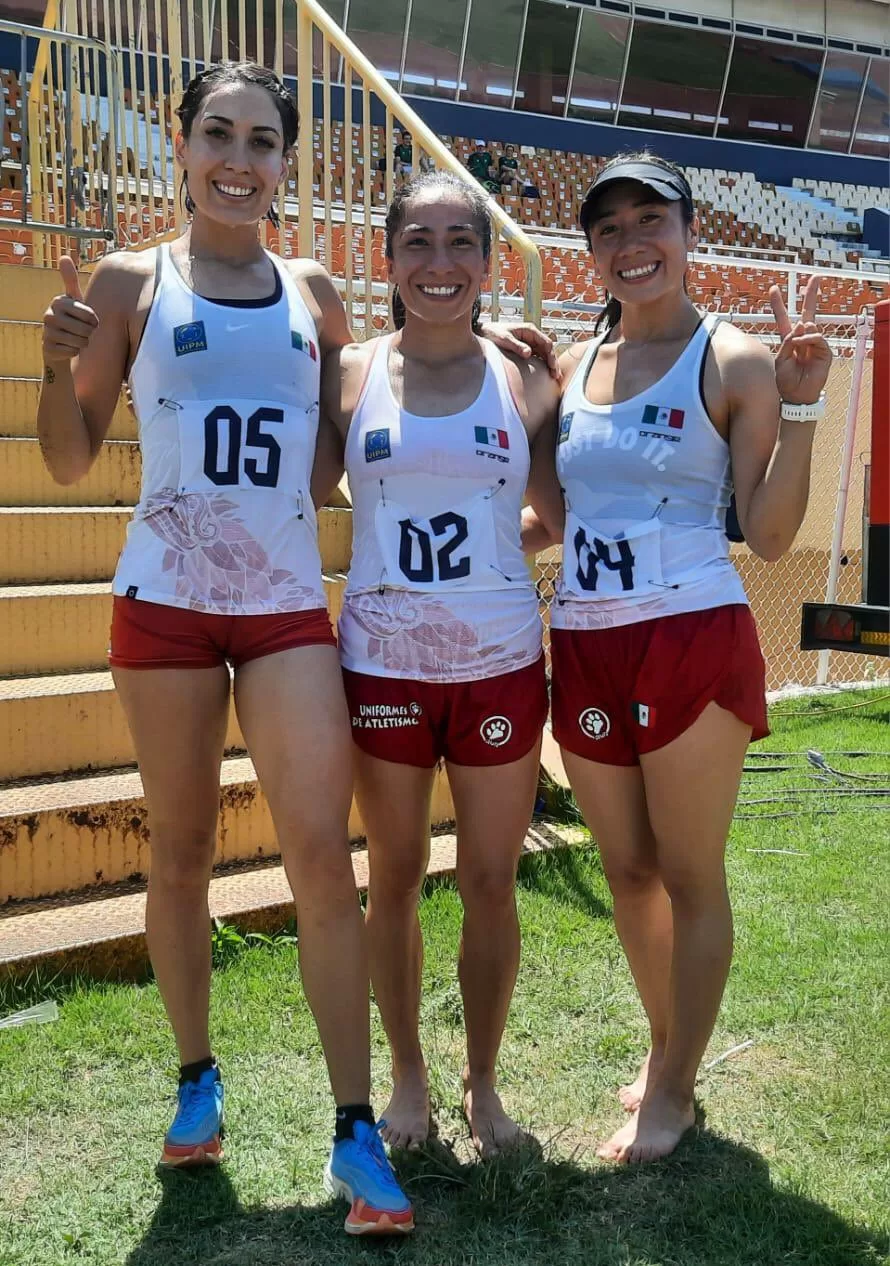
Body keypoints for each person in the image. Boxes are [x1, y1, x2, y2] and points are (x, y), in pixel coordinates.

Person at [37, 60, 414, 1237]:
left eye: (261, 141)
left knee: (320, 855)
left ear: (285, 162)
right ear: (182, 145)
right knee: (184, 848)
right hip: (164, 605)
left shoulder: (314, 292)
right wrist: (51, 365)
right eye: (218, 134)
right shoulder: (130, 280)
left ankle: (354, 1130)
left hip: (284, 605)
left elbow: (343, 449)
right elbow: (66, 458)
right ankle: (196, 1079)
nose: (238, 160)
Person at [540, 151, 832, 1164]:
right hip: (585, 638)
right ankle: (668, 1049)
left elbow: (771, 536)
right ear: (590, 251)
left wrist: (800, 410)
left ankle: (672, 1088)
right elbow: (559, 514)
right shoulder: (571, 366)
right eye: (608, 229)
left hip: (690, 635)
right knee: (628, 870)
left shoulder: (733, 359)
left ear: (688, 231)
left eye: (649, 220)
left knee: (688, 870)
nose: (631, 243)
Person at [318, 171, 563, 1156]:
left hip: (498, 659)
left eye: (461, 241)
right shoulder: (349, 374)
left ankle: (483, 1083)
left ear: (488, 262)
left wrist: (497, 552)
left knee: (491, 880)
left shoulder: (524, 377)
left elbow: (558, 512)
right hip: (382, 665)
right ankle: (408, 1079)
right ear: (386, 259)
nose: (439, 262)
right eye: (417, 242)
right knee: (395, 874)